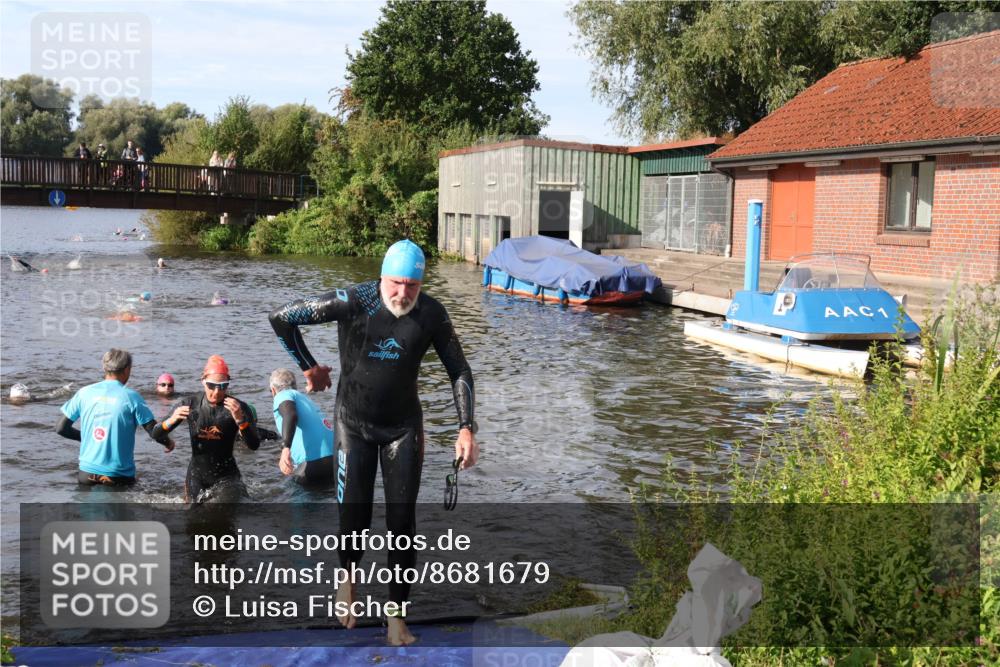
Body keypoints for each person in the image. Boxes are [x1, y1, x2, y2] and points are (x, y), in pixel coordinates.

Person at [269, 239, 478, 645]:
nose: (403, 294)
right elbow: (281, 318)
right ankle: (348, 580)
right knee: (355, 520)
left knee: (402, 524)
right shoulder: (354, 300)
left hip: (403, 428)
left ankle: (397, 616)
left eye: (412, 286)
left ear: (422, 284)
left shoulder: (432, 314)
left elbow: (461, 370)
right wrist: (309, 367)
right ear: (383, 277)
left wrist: (466, 427)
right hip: (354, 425)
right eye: (396, 283)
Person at [55, 349, 174, 487]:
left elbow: (61, 428)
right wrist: (168, 442)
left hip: (86, 473)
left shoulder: (84, 393)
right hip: (118, 475)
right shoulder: (132, 397)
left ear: (104, 367)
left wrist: (87, 437)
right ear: (127, 369)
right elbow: (154, 432)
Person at [152, 355, 260, 503]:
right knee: (192, 516)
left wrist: (241, 421)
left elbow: (254, 445)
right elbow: (156, 433)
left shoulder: (238, 407)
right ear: (203, 381)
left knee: (223, 512)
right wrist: (171, 421)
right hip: (197, 475)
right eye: (211, 385)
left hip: (227, 477)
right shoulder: (190, 404)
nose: (216, 392)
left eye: (222, 386)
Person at [268, 368, 335, 487]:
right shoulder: (304, 399)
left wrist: (285, 448)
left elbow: (290, 414)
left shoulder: (282, 395)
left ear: (273, 390)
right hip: (335, 462)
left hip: (313, 464)